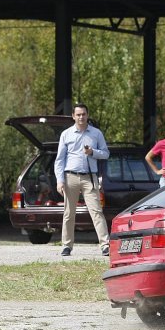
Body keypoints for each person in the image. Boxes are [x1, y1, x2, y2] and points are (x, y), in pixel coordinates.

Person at [54, 103, 111, 257]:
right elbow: (59, 160)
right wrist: (60, 180)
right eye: (78, 114)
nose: (81, 117)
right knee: (68, 213)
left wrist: (93, 152)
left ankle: (105, 245)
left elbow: (106, 154)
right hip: (70, 177)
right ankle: (66, 246)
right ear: (73, 116)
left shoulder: (96, 134)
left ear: (87, 115)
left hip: (90, 177)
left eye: (83, 114)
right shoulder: (66, 134)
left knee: (96, 211)